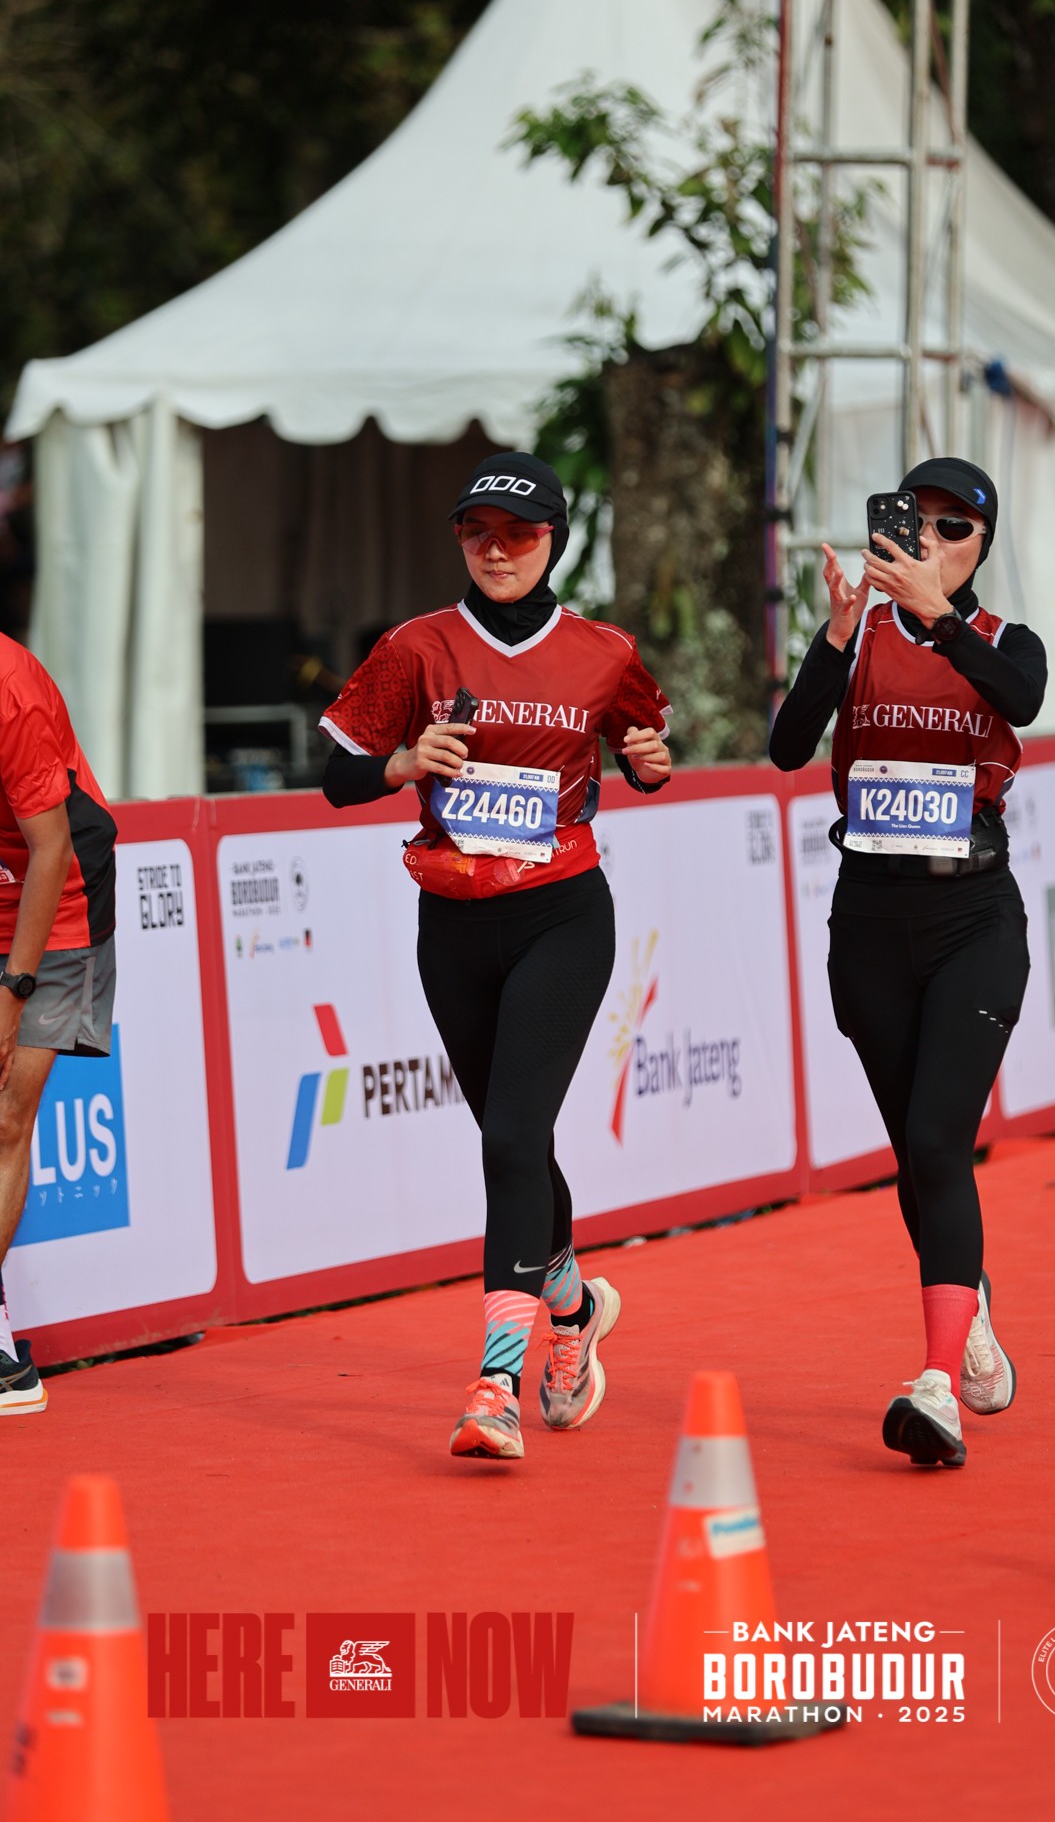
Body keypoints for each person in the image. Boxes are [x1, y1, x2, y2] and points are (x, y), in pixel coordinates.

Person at [319, 452, 672, 1460]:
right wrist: (400, 762)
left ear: (553, 538)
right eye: (478, 531)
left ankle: (495, 1386)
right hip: (454, 923)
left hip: (562, 915)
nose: (496, 549)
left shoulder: (604, 651)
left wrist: (648, 764)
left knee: (513, 1135)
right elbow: (335, 777)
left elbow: (644, 750)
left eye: (517, 534)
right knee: (512, 1141)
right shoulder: (415, 647)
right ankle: (573, 1309)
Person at [770, 458, 1047, 1468]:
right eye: (915, 519)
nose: (930, 536)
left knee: (938, 1139)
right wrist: (835, 637)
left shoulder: (1004, 641)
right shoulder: (859, 637)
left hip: (973, 918)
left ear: (981, 545)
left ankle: (935, 1385)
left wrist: (935, 616)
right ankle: (965, 1303)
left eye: (953, 526)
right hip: (870, 923)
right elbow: (786, 748)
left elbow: (1021, 699)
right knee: (916, 1156)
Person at [0, 636, 118, 1415]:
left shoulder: (8, 689)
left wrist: (12, 995)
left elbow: (50, 851)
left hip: (60, 892)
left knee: (7, 1110)